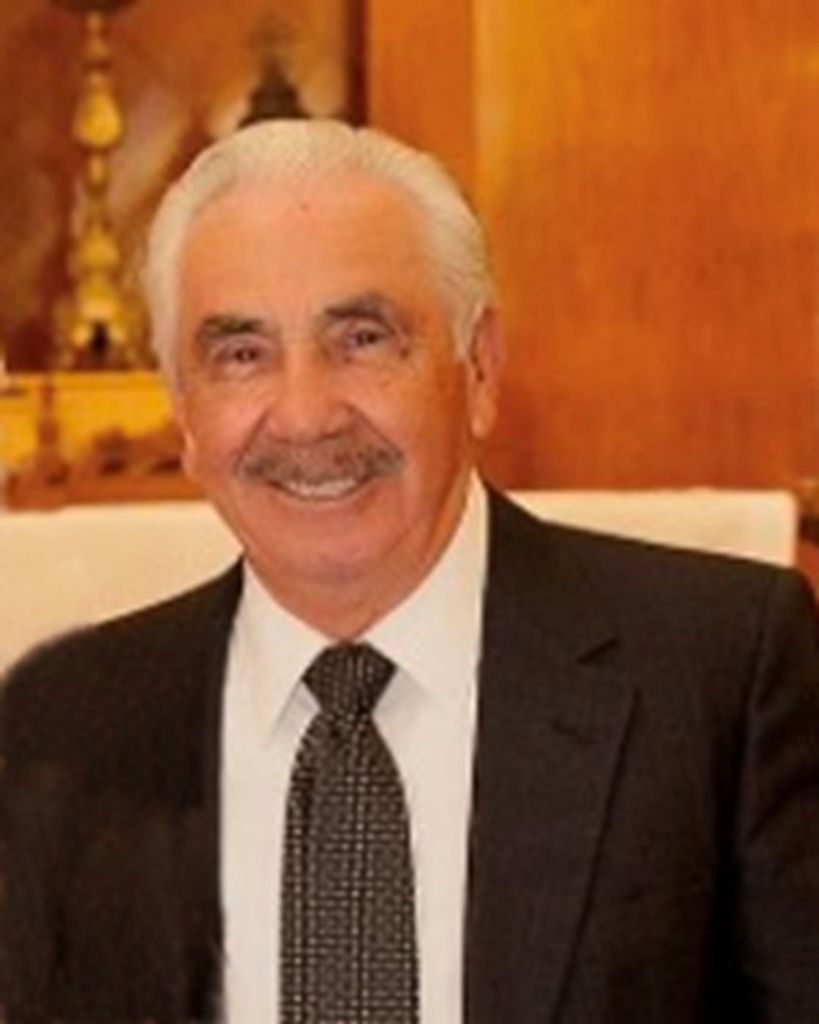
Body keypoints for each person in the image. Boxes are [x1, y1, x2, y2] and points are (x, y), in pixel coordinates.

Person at [3, 120, 819, 1024]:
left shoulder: (718, 676)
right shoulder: (62, 727)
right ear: (185, 417)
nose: (305, 415)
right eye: (241, 355)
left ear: (479, 371)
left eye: (362, 339)